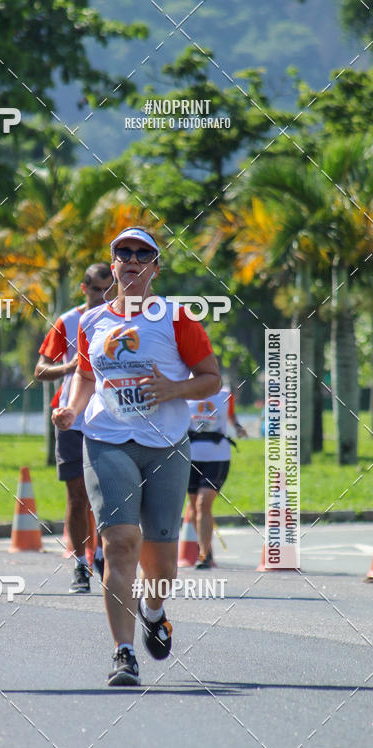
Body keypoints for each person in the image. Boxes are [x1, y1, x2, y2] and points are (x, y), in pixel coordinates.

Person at [53, 226, 220, 686]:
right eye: (122, 253)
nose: (131, 259)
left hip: (166, 446)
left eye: (142, 254)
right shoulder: (92, 322)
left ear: (154, 268)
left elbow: (211, 379)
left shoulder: (176, 317)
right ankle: (123, 653)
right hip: (106, 439)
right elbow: (86, 377)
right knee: (121, 542)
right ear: (112, 266)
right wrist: (72, 408)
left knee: (161, 564)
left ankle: (153, 609)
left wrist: (175, 389)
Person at [35, 263, 111, 592]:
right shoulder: (68, 321)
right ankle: (81, 564)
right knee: (77, 497)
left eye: (108, 291)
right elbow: (40, 370)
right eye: (95, 290)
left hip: (111, 419)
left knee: (110, 497)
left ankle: (107, 558)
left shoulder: (124, 320)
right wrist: (72, 366)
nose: (102, 296)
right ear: (83, 289)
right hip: (71, 419)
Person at [187, 386, 247, 568]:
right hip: (190, 455)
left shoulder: (224, 394)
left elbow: (231, 415)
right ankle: (206, 549)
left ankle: (204, 555)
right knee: (194, 506)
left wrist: (237, 427)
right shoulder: (184, 389)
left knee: (203, 504)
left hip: (217, 455)